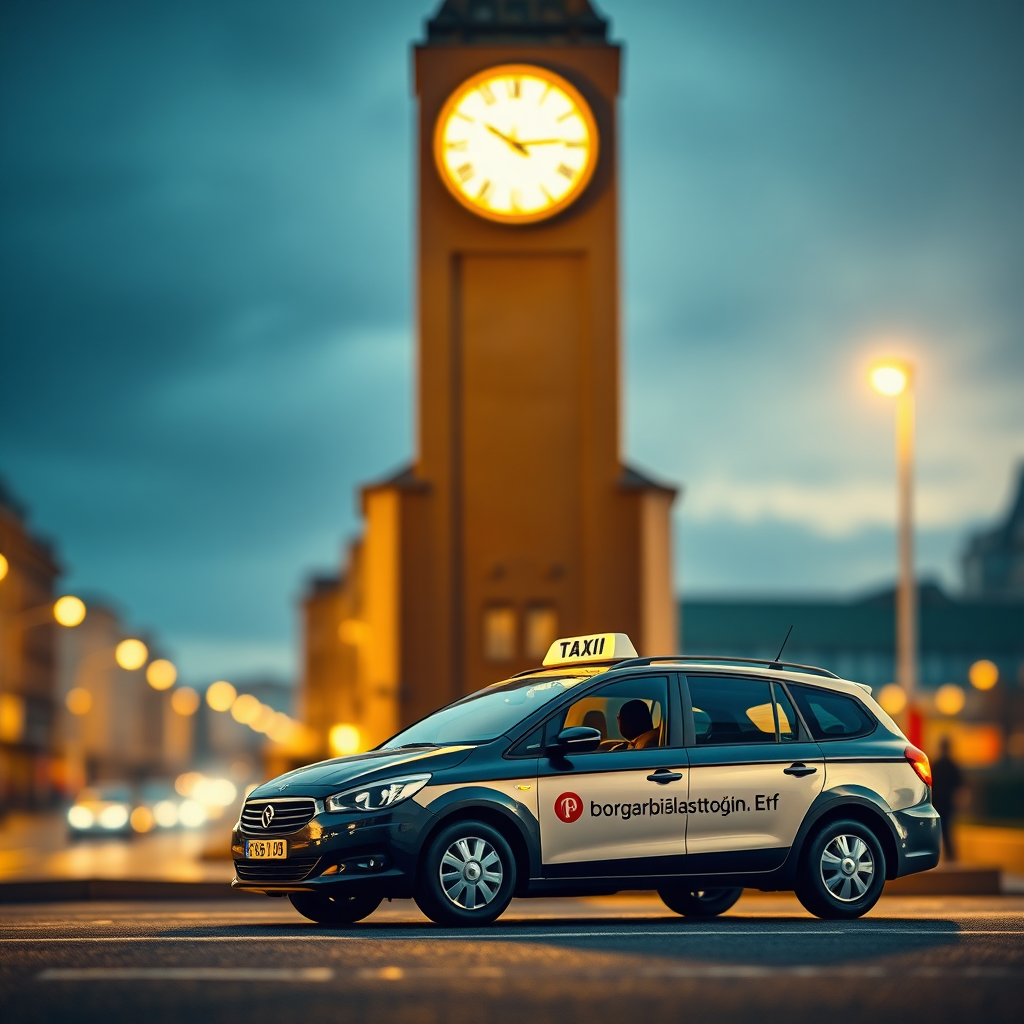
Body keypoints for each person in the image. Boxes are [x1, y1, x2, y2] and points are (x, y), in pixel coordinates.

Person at [930, 736, 964, 861]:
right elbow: (959, 785)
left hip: (937, 803)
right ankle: (951, 857)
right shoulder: (952, 765)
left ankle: (935, 857)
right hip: (948, 804)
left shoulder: (936, 765)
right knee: (948, 831)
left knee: (936, 831)